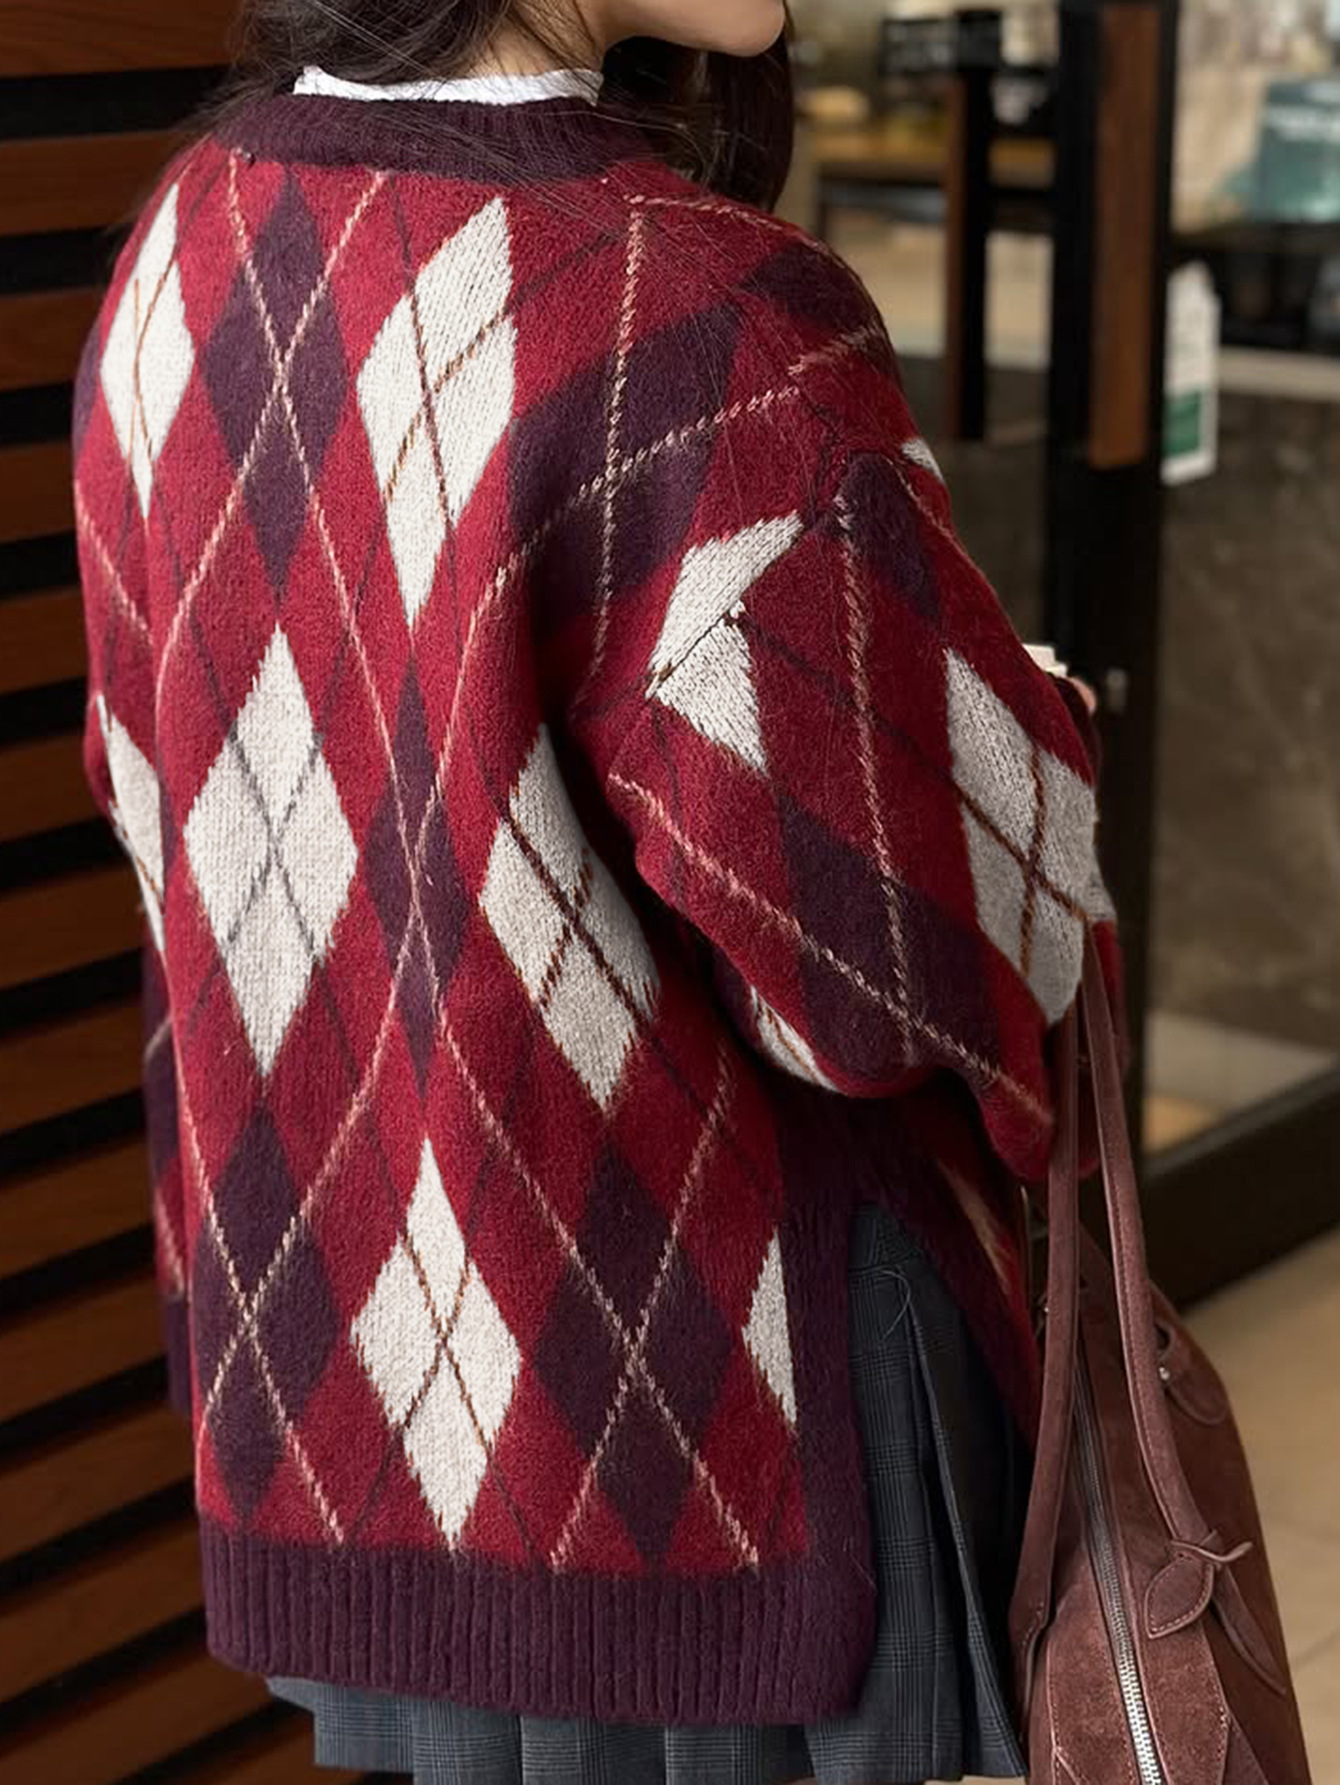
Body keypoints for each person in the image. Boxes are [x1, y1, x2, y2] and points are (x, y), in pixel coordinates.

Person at [72, 2, 1127, 1781]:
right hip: (721, 1428)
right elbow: (904, 962)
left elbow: (154, 796)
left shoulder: (187, 237)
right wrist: (1032, 726)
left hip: (367, 1407)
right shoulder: (694, 311)